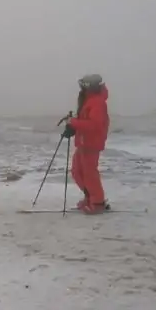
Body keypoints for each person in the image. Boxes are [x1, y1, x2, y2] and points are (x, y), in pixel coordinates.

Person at [62, 74, 110, 214]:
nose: (81, 87)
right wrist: (73, 126)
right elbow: (86, 120)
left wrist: (73, 122)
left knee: (90, 174)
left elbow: (94, 125)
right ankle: (90, 198)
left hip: (91, 144)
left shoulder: (97, 102)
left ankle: (98, 203)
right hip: (84, 143)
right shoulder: (89, 100)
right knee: (77, 171)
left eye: (83, 85)